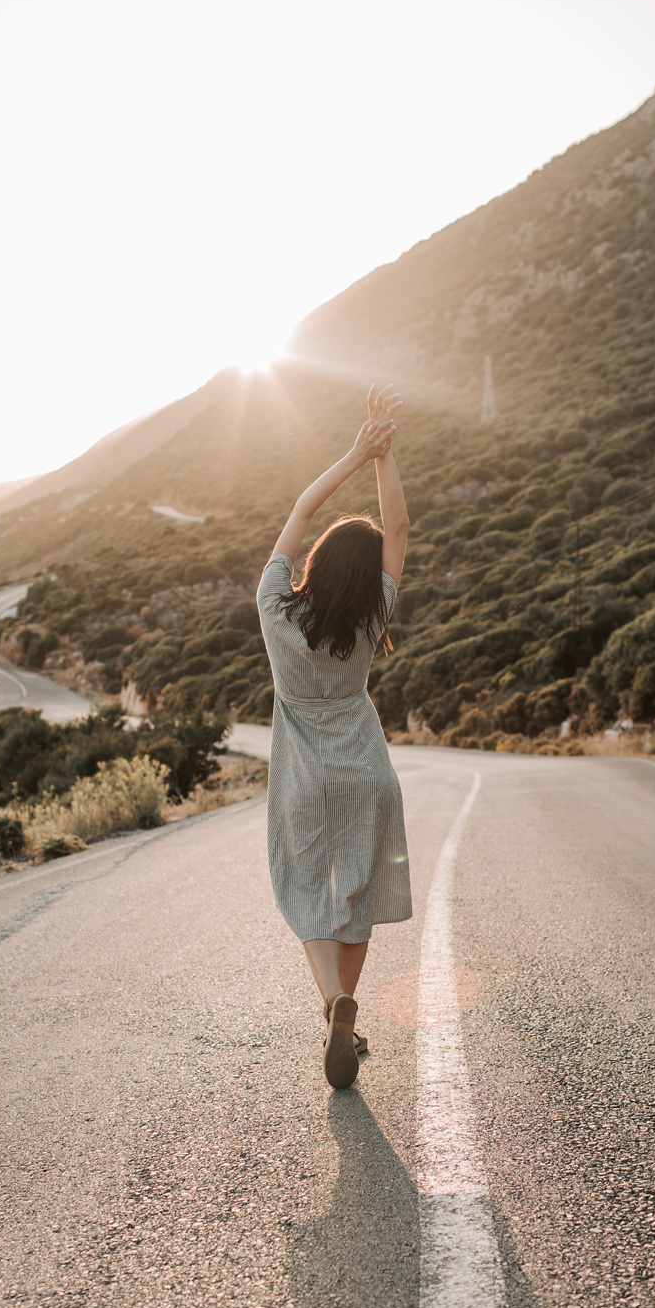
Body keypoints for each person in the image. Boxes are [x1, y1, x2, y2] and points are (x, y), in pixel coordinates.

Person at [256, 384, 412, 1089]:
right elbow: (400, 532)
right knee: (356, 896)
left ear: (315, 565)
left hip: (303, 772)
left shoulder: (275, 610)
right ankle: (346, 1005)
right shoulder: (370, 617)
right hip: (366, 770)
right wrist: (387, 455)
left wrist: (353, 453)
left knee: (303, 888)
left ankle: (333, 1002)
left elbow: (297, 511)